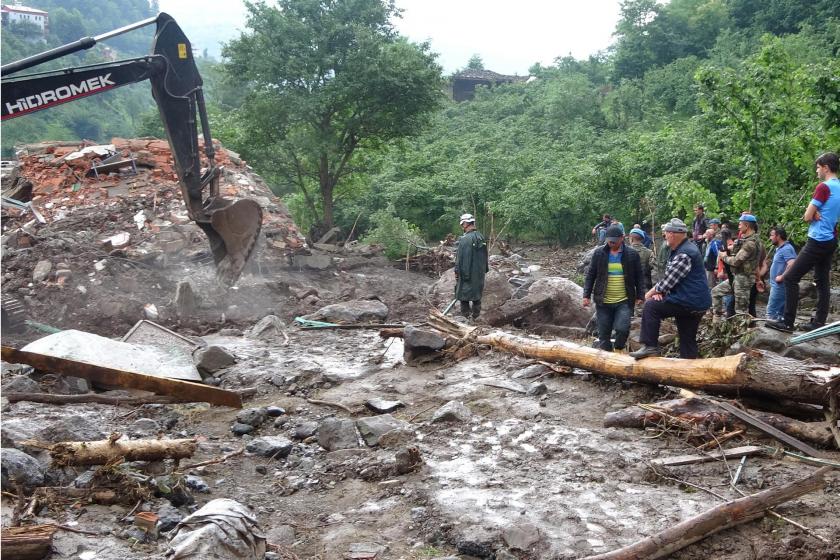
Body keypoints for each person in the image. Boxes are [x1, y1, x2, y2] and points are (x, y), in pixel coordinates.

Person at [769, 153, 840, 332]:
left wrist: (813, 214)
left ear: (825, 167)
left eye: (818, 167)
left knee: (791, 277)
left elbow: (807, 216)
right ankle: (818, 322)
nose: (816, 170)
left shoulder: (823, 187)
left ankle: (787, 322)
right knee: (822, 281)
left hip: (817, 239)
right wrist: (816, 214)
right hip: (831, 239)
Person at [630, 218, 711, 359]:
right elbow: (672, 279)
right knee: (687, 339)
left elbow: (667, 282)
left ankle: (650, 347)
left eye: (666, 233)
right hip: (694, 301)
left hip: (689, 301)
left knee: (651, 307)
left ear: (673, 234)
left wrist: (647, 295)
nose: (664, 236)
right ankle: (688, 371)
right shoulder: (681, 249)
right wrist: (660, 292)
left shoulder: (684, 254)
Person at [583, 225, 644, 352]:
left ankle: (619, 348)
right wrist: (586, 295)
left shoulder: (632, 254)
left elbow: (639, 276)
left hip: (624, 300)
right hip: (603, 300)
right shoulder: (599, 253)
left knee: (622, 329)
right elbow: (591, 275)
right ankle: (605, 357)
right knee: (604, 332)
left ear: (622, 238)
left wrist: (640, 295)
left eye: (614, 241)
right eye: (609, 240)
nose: (611, 243)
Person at [711, 213, 761, 319]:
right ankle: (718, 319)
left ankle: (742, 333)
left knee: (741, 311)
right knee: (716, 292)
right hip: (736, 277)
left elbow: (736, 261)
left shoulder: (750, 243)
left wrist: (723, 256)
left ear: (746, 226)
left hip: (744, 279)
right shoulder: (745, 240)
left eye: (740, 224)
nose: (738, 226)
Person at [455, 213, 489, 320]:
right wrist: (485, 270)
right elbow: (485, 256)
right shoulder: (481, 237)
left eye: (462, 224)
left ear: (465, 223)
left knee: (463, 296)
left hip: (467, 273)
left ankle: (466, 317)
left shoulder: (465, 239)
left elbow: (462, 259)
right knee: (476, 296)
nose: (462, 227)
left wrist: (458, 272)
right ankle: (476, 317)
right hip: (479, 273)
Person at [766, 226, 797, 322]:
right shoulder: (780, 248)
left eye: (771, 235)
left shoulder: (786, 248)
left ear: (778, 236)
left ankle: (768, 335)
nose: (770, 238)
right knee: (779, 314)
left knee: (771, 313)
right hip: (777, 285)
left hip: (780, 286)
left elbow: (792, 264)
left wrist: (782, 277)